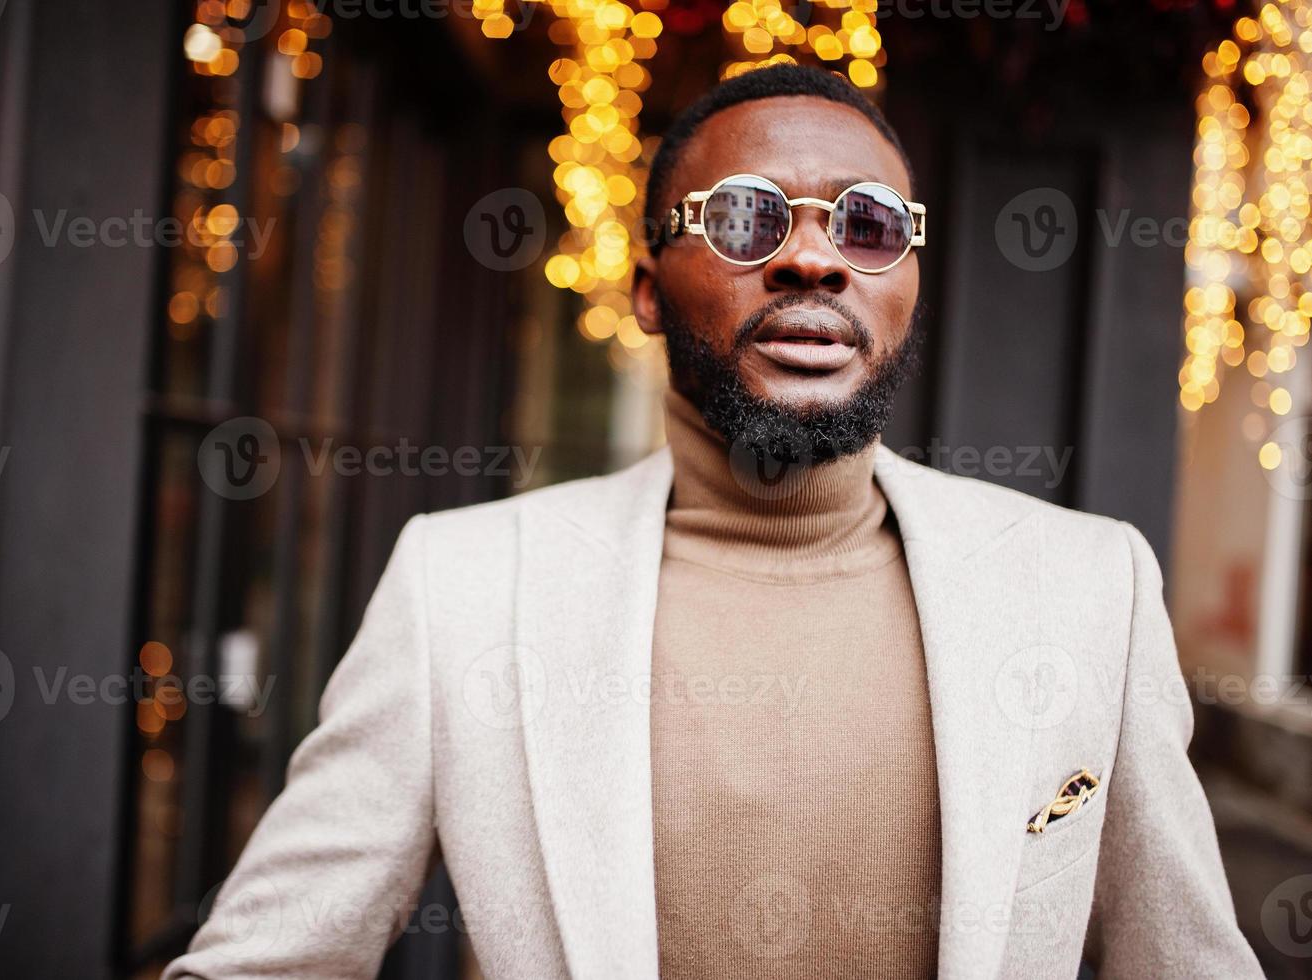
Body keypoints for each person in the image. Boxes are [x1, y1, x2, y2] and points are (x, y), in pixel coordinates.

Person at [165, 64, 1262, 980]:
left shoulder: (1085, 586)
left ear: (909, 280)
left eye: (869, 223)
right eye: (745, 216)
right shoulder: (462, 586)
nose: (815, 256)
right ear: (646, 288)